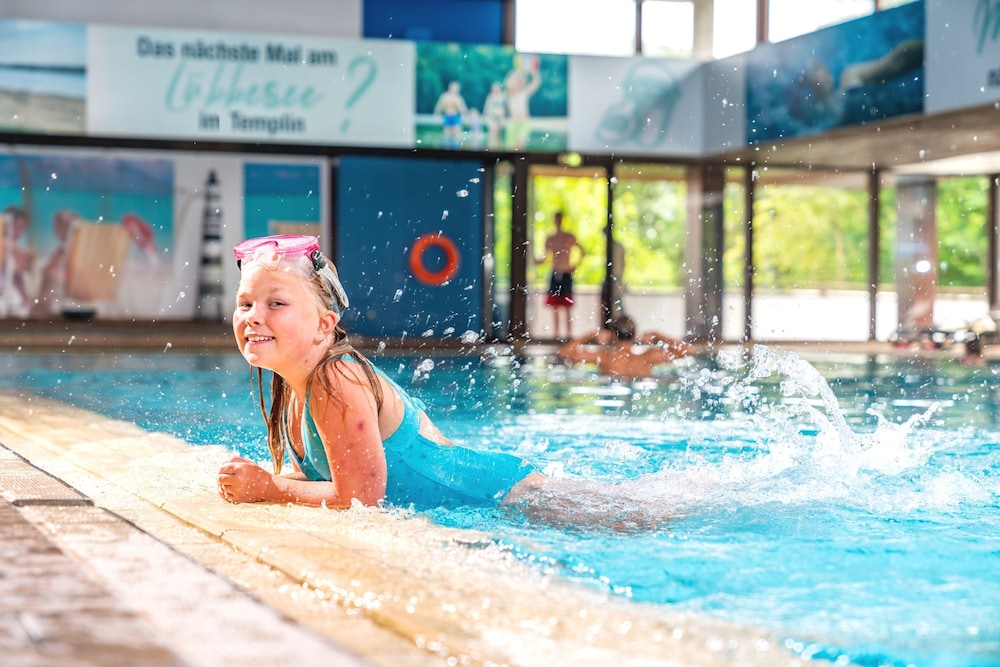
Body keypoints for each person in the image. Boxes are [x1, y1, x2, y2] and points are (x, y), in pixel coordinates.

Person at [217, 235, 671, 530]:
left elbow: (360, 499)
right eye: (245, 303)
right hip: (490, 497)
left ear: (324, 325)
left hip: (507, 496)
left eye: (276, 303)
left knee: (654, 520)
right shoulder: (292, 388)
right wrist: (261, 481)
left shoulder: (336, 378)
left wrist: (270, 489)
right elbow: (328, 474)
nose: (253, 316)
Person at [558, 315, 693, 380]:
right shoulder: (648, 357)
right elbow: (688, 350)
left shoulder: (604, 357)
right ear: (634, 335)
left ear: (612, 335)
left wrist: (592, 335)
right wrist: (658, 335)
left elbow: (564, 352)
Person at [536, 211, 586, 340]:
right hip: (555, 273)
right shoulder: (550, 239)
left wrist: (575, 266)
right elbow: (544, 258)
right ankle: (556, 335)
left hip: (566, 273)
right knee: (555, 307)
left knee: (567, 306)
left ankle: (568, 335)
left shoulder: (569, 237)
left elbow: (583, 251)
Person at [503, 54, 542, 151]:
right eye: (515, 81)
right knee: (511, 148)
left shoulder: (524, 93)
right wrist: (519, 69)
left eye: (519, 82)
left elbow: (536, 83)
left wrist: (534, 71)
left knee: (520, 145)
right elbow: (508, 81)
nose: (517, 84)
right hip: (512, 124)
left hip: (524, 123)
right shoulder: (510, 94)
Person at [432, 81, 468, 149]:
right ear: (450, 88)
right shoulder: (445, 96)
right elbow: (439, 106)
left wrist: (466, 116)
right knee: (447, 136)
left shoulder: (458, 98)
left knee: (457, 136)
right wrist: (436, 113)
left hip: (455, 118)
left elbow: (463, 109)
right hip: (447, 117)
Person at [482, 81, 507, 149]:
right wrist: (485, 116)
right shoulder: (490, 97)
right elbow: (486, 107)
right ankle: (491, 147)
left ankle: (498, 147)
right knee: (492, 133)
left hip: (500, 117)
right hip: (492, 117)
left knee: (498, 134)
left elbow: (505, 107)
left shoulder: (502, 96)